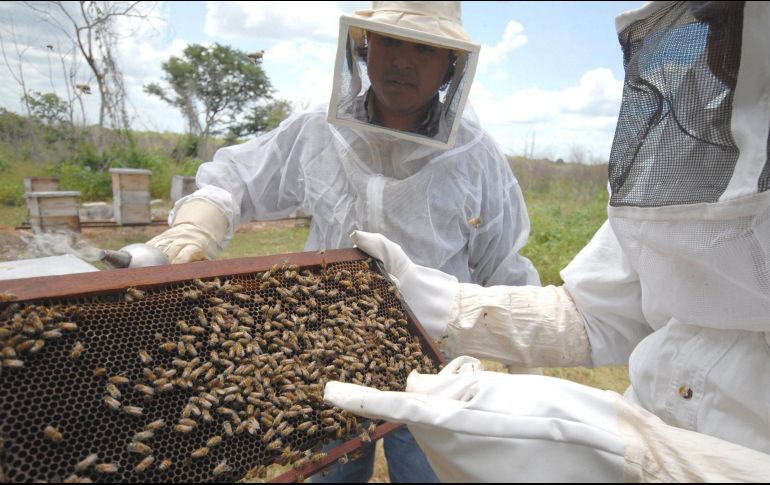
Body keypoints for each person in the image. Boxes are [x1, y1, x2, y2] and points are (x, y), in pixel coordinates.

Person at [323, 1, 770, 482]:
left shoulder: (477, 153)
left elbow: (504, 257)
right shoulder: (697, 160)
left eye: (730, 24)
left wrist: (644, 458)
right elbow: (596, 311)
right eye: (713, 23)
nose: (717, 53)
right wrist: (452, 307)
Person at [147, 1, 540, 482]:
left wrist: (531, 381)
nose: (402, 61)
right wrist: (197, 225)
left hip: (434, 370)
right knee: (331, 475)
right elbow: (238, 177)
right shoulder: (318, 129)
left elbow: (505, 269)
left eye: (424, 49)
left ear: (449, 67)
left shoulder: (476, 157)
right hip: (328, 356)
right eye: (391, 41)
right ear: (365, 46)